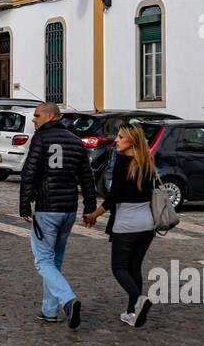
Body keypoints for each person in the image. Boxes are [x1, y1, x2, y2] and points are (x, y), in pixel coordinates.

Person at [19, 101, 97, 331]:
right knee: (55, 262)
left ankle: (68, 300)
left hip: (47, 208)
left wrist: (24, 206)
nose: (34, 119)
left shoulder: (41, 139)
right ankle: (49, 310)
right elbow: (86, 177)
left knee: (43, 260)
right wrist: (89, 207)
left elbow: (29, 173)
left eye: (37, 115)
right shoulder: (75, 141)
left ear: (51, 116)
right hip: (68, 210)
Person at [85, 125, 159, 328]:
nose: (116, 140)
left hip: (126, 224)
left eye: (120, 137)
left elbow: (114, 196)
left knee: (118, 267)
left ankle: (137, 299)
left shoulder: (122, 161)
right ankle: (130, 313)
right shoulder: (147, 162)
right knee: (134, 267)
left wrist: (94, 215)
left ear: (132, 141)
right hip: (147, 225)